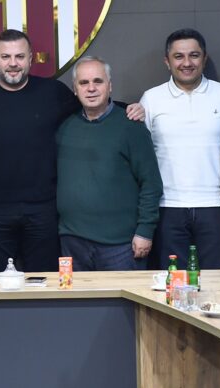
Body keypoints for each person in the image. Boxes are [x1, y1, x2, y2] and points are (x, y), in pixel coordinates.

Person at [0, 30, 81, 272]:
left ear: (30, 58)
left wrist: (129, 109)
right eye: (6, 57)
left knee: (44, 282)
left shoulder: (53, 92)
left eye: (19, 56)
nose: (13, 63)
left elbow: (91, 108)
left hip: (43, 207)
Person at [139, 28, 220, 271]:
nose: (186, 63)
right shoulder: (151, 99)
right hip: (167, 207)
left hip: (216, 206)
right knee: (174, 283)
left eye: (194, 55)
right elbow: (141, 160)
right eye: (178, 56)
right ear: (167, 61)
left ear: (204, 58)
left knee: (217, 280)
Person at [56, 57, 162, 271]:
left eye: (98, 81)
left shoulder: (131, 126)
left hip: (121, 246)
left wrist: (145, 231)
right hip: (72, 242)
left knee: (124, 296)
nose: (91, 88)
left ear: (110, 86)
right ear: (75, 89)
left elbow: (151, 183)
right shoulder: (65, 127)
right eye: (84, 83)